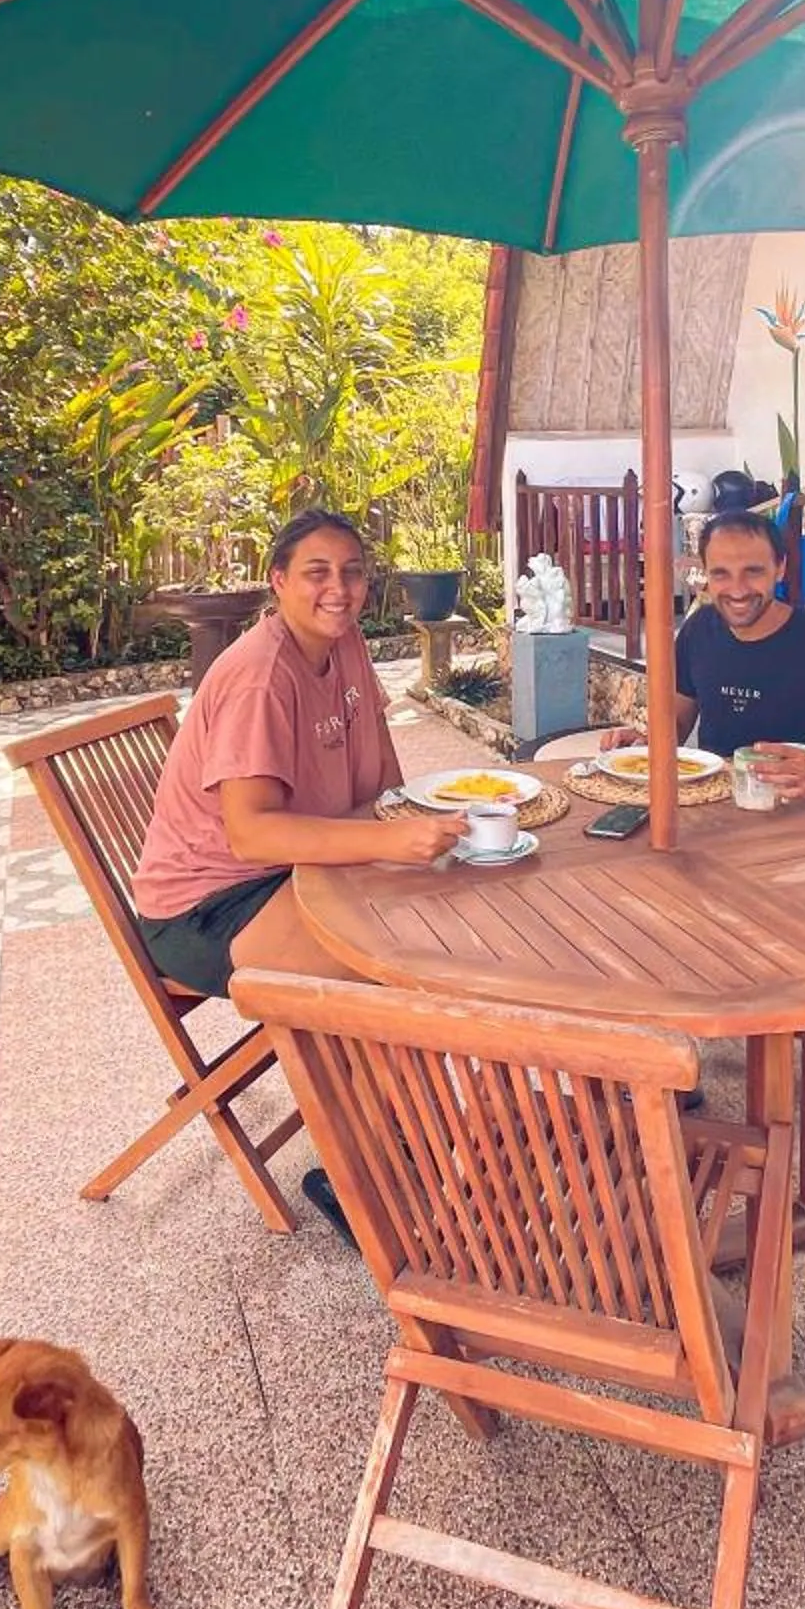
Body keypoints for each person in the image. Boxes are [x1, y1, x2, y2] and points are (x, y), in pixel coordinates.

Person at [133, 507, 461, 1234]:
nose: (337, 589)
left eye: (352, 572)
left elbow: (384, 782)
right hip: (206, 907)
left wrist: (408, 832)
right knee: (374, 966)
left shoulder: (343, 648)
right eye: (316, 573)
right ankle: (362, 1174)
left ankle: (433, 1133)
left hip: (293, 870)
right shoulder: (259, 676)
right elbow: (250, 835)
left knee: (439, 914)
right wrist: (391, 843)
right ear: (278, 582)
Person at [608, 511, 805, 801]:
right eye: (721, 574)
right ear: (705, 573)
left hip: (795, 809)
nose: (737, 590)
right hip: (714, 805)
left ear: (780, 567)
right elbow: (677, 723)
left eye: (753, 572)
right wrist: (643, 745)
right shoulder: (698, 629)